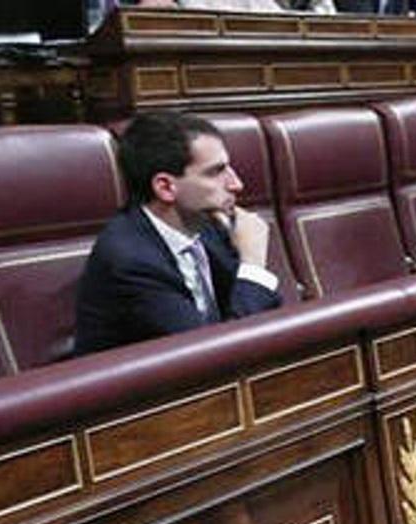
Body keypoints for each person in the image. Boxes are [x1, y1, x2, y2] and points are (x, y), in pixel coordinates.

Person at [74, 111, 282, 356]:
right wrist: (253, 263)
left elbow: (261, 314)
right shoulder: (129, 261)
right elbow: (212, 355)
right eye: (216, 172)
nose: (236, 184)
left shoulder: (208, 226)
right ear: (165, 187)